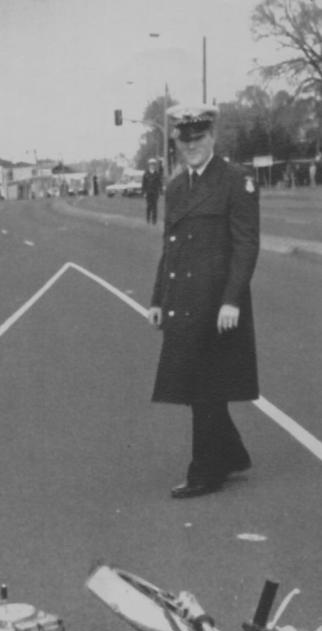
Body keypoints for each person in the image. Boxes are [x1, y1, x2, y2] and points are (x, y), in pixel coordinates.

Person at [147, 104, 260, 499]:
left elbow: (246, 245)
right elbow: (170, 246)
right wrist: (158, 298)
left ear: (212, 137)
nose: (192, 146)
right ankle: (230, 455)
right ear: (177, 142)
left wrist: (232, 301)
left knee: (203, 386)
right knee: (201, 385)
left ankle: (204, 473)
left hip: (217, 304)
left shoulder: (235, 180)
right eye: (185, 140)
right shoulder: (176, 187)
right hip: (183, 301)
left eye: (199, 138)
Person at [141, 157, 162, 224]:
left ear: (155, 166)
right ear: (149, 165)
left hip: (155, 193)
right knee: (149, 206)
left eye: (153, 165)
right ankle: (148, 219)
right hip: (148, 192)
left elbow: (159, 183)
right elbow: (143, 184)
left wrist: (160, 190)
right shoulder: (145, 174)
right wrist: (144, 192)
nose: (152, 166)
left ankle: (154, 221)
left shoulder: (157, 174)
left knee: (155, 206)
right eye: (151, 164)